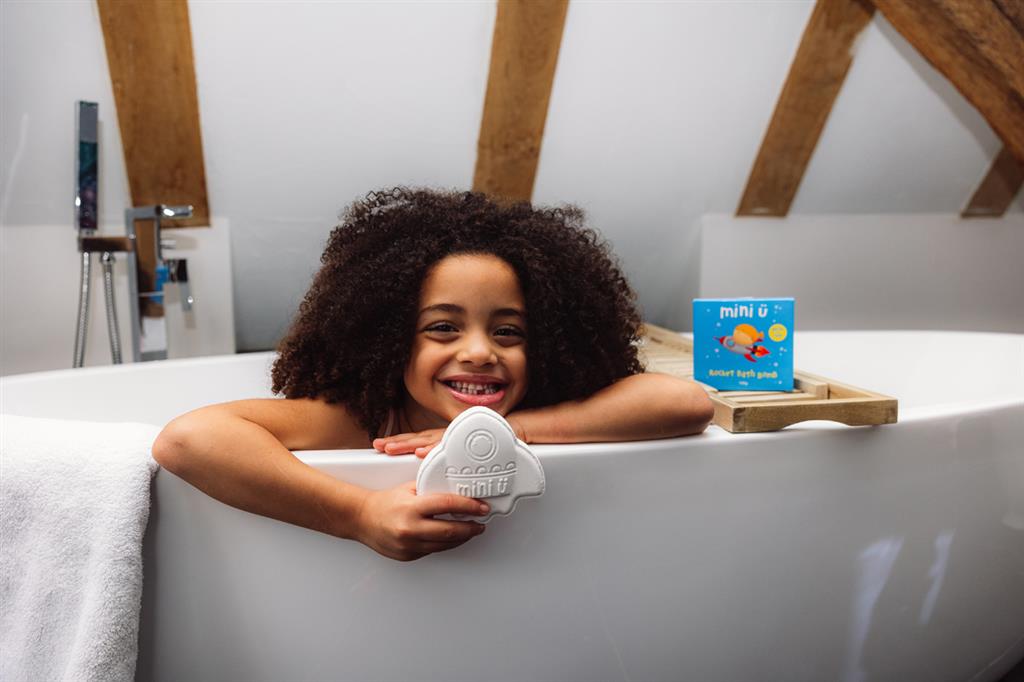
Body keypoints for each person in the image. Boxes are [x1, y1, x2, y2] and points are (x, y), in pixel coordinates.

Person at [153, 188, 714, 561]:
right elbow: (187, 440)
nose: (480, 352)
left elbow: (687, 403)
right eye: (443, 328)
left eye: (509, 332)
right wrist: (359, 514)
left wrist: (516, 429)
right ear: (391, 340)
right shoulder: (372, 423)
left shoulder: (534, 408)